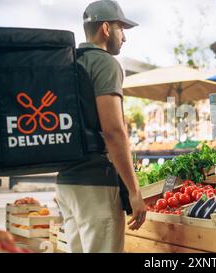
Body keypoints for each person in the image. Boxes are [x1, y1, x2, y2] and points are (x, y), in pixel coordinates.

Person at [55, 0, 146, 253]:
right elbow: (113, 131)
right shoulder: (104, 63)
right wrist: (134, 190)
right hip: (96, 183)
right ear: (106, 28)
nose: (124, 37)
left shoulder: (68, 62)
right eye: (121, 28)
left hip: (66, 182)